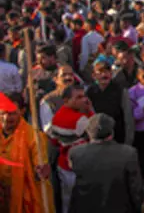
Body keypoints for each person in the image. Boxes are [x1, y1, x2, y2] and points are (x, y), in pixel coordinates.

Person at [68, 113, 144, 213]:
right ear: (112, 132)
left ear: (88, 132)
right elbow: (135, 189)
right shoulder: (128, 154)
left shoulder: (75, 153)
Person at [0, 92, 54, 213]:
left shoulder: (34, 137)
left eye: (12, 113)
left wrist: (41, 171)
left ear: (22, 111)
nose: (6, 118)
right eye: (2, 113)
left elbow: (39, 164)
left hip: (24, 198)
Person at [47, 84, 94, 213]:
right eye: (78, 97)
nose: (83, 100)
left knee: (67, 201)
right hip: (78, 167)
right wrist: (89, 110)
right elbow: (97, 131)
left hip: (64, 165)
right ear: (66, 100)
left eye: (84, 96)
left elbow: (54, 141)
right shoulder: (80, 119)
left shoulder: (57, 116)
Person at [86, 61, 135, 145]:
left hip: (117, 137)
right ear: (94, 76)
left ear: (111, 74)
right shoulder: (89, 92)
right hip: (96, 138)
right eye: (100, 72)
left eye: (106, 72)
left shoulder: (121, 91)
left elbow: (128, 116)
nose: (104, 75)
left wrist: (128, 140)